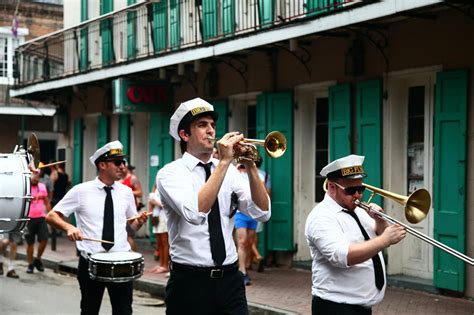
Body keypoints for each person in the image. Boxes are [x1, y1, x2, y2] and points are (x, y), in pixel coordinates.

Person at [157, 97, 271, 314]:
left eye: (212, 125)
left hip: (230, 278)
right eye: (202, 125)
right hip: (190, 281)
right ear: (184, 134)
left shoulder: (229, 170)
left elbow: (262, 212)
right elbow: (195, 212)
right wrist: (226, 162)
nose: (210, 130)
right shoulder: (170, 173)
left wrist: (250, 166)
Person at [45, 140, 148, 315]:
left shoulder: (126, 192)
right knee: (89, 310)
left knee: (123, 311)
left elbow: (132, 226)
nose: (123, 166)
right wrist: (69, 227)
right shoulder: (81, 191)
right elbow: (51, 216)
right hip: (91, 262)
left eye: (123, 162)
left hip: (121, 260)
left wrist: (140, 220)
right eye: (117, 162)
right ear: (102, 165)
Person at [305, 154, 407, 315]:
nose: (358, 195)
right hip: (335, 307)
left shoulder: (357, 210)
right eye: (351, 190)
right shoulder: (321, 217)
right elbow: (342, 256)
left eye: (361, 189)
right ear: (332, 187)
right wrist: (384, 240)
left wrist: (379, 220)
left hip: (360, 308)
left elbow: (377, 234)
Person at [234, 163, 259, 285]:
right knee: (242, 241)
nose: (243, 168)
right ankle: (242, 271)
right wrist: (237, 167)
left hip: (252, 213)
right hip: (240, 213)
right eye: (241, 166)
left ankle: (245, 266)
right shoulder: (234, 173)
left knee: (249, 242)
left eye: (244, 166)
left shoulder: (255, 173)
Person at [25, 171, 52, 273]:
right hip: (29, 218)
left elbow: (46, 201)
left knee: (44, 239)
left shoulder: (42, 186)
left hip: (41, 217)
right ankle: (30, 264)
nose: (36, 178)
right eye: (34, 176)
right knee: (30, 243)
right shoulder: (26, 187)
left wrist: (51, 215)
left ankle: (37, 259)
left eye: (38, 176)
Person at [119, 161, 143, 251]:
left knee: (129, 236)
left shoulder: (132, 178)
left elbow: (140, 193)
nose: (121, 168)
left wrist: (127, 192)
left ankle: (134, 256)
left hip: (130, 210)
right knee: (124, 236)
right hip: (121, 211)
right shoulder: (120, 180)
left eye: (123, 166)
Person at [148, 185, 169, 274]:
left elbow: (166, 203)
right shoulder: (156, 187)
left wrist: (156, 202)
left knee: (165, 242)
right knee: (159, 242)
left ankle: (165, 266)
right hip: (156, 217)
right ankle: (161, 264)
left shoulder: (166, 187)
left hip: (164, 216)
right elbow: (151, 202)